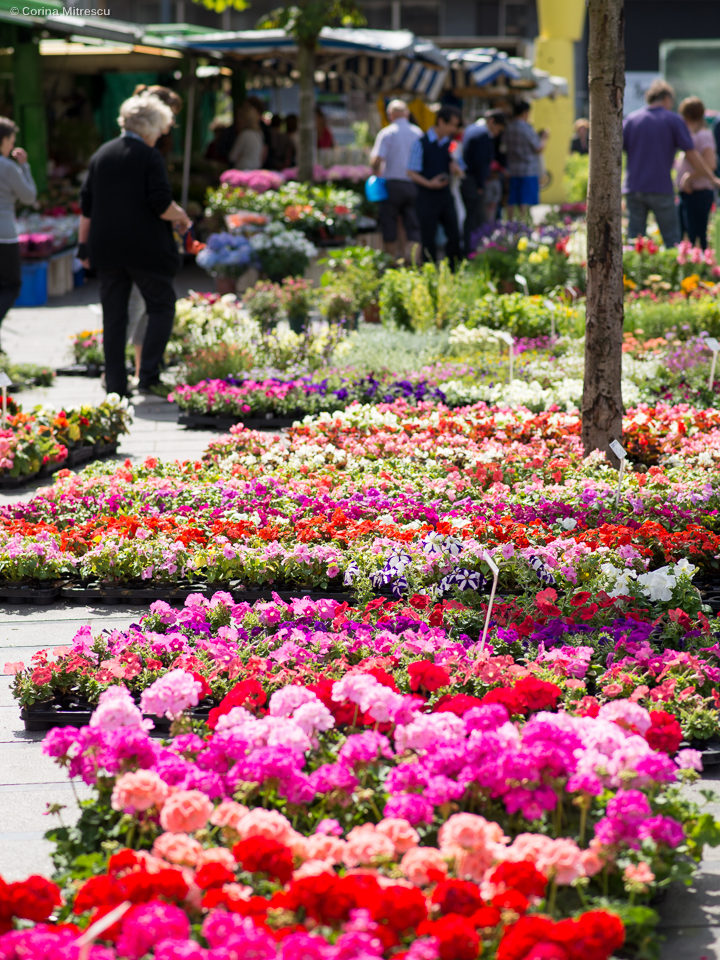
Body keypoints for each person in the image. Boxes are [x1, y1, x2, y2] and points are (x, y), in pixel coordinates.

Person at [78, 95, 191, 398]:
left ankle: (116, 385)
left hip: (107, 248)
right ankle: (149, 376)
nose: (161, 135)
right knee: (162, 306)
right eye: (160, 129)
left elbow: (86, 207)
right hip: (145, 248)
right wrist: (181, 216)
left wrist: (82, 246)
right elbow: (160, 203)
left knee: (114, 317)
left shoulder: (102, 154)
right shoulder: (148, 156)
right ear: (150, 127)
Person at [623, 79, 720, 247]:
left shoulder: (632, 119)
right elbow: (691, 154)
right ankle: (674, 274)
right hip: (661, 188)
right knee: (671, 240)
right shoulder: (672, 119)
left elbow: (618, 151)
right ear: (667, 98)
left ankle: (632, 274)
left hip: (634, 187)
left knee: (634, 241)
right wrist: (711, 177)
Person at [407, 105, 464, 268]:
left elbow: (462, 169)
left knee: (453, 232)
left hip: (446, 195)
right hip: (426, 196)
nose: (453, 129)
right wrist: (429, 184)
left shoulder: (452, 145)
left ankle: (454, 269)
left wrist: (456, 170)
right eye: (451, 124)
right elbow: (411, 171)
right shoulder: (421, 143)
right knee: (427, 236)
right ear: (440, 121)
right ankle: (429, 271)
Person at [370, 99, 423, 261]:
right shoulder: (418, 132)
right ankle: (412, 261)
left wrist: (374, 170)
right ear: (407, 114)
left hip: (392, 184)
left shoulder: (387, 133)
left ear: (390, 115)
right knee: (413, 225)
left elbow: (377, 160)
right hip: (414, 184)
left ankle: (392, 262)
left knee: (389, 223)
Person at [0, 117, 36, 337]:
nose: (12, 146)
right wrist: (25, 167)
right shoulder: (8, 167)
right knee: (12, 286)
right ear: (3, 140)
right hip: (4, 234)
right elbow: (29, 196)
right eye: (11, 142)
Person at [460, 108, 506, 255]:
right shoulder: (483, 134)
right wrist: (480, 184)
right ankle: (472, 251)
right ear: (491, 121)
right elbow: (480, 162)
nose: (497, 133)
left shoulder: (471, 129)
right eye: (498, 129)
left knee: (471, 217)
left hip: (468, 179)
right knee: (476, 218)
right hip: (473, 181)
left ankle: (470, 248)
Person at [676, 97, 717, 249]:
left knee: (697, 237)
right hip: (692, 193)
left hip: (699, 192)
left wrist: (688, 178)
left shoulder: (703, 135)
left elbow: (710, 164)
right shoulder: (695, 134)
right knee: (690, 236)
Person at [505, 99, 548, 218]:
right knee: (525, 201)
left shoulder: (509, 127)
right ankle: (523, 226)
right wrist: (544, 138)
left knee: (512, 199)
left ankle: (510, 224)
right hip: (528, 169)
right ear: (525, 112)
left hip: (512, 168)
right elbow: (538, 148)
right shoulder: (526, 128)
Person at [229, 102, 265, 170]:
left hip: (242, 170)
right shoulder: (259, 134)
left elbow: (232, 157)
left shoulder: (244, 134)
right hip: (256, 168)